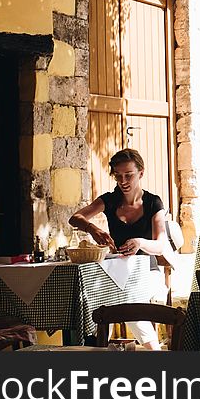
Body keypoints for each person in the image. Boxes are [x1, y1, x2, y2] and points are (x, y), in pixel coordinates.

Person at [69, 148, 169, 349]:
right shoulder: (110, 199)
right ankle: (99, 347)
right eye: (118, 176)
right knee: (92, 296)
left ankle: (151, 350)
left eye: (129, 175)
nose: (123, 181)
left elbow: (161, 245)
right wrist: (91, 227)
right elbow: (75, 218)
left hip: (146, 271)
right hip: (116, 271)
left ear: (141, 173)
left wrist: (140, 242)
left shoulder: (153, 203)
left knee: (127, 297)